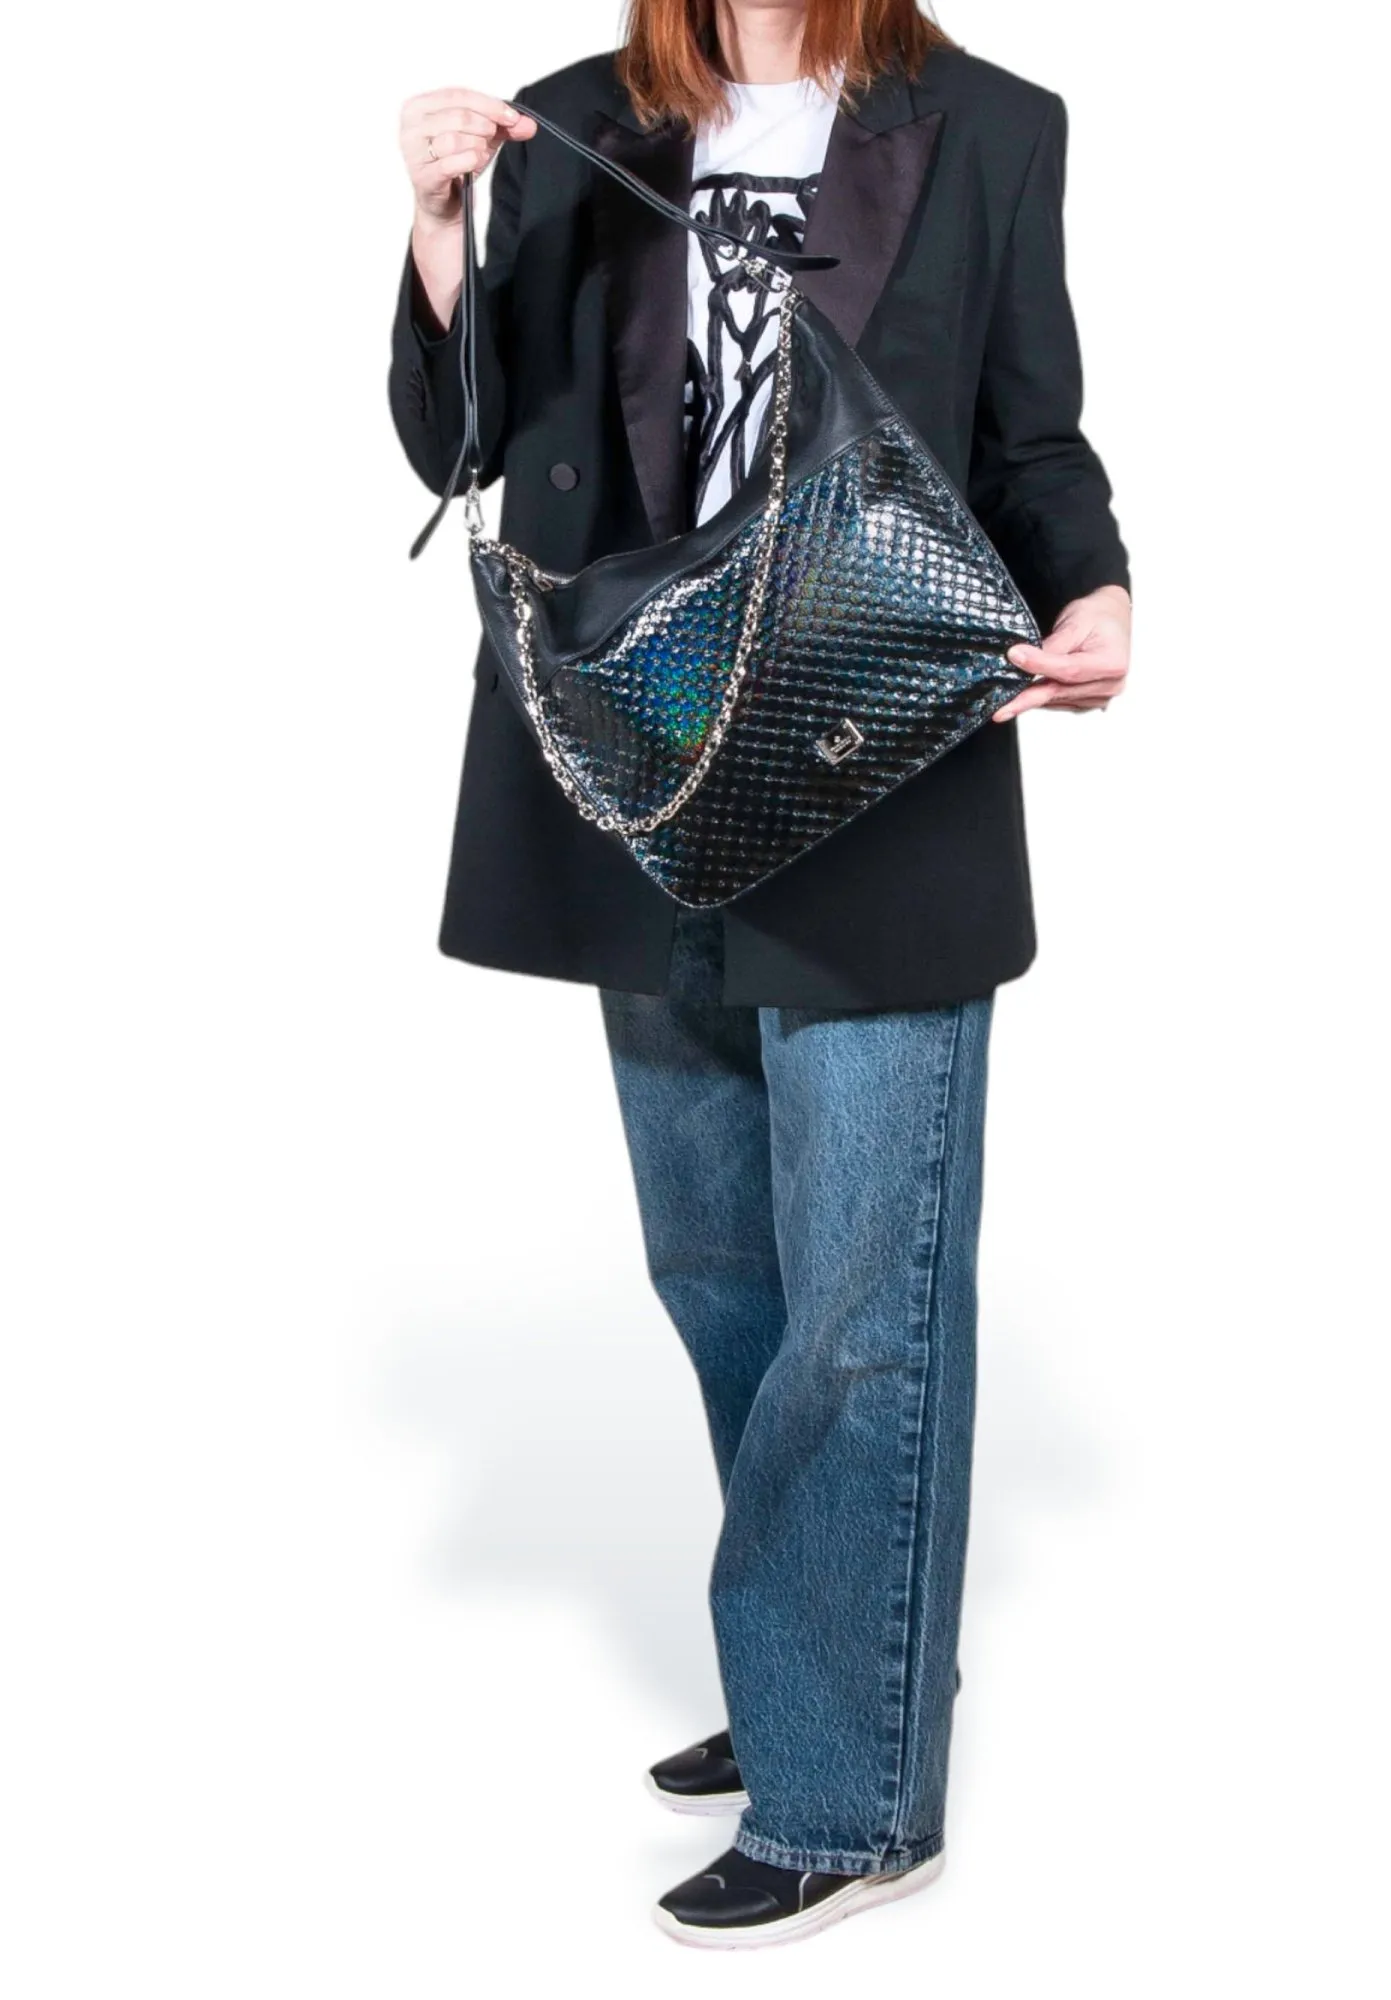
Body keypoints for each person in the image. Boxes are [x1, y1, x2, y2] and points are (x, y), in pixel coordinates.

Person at [389, 0, 1131, 1950]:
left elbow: (1029, 434)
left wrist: (1099, 585)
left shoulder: (990, 126)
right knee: (725, 1275)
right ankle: (820, 1663)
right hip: (642, 771)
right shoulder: (568, 124)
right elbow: (463, 442)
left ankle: (844, 1794)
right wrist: (443, 232)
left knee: (866, 1310)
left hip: (877, 758)